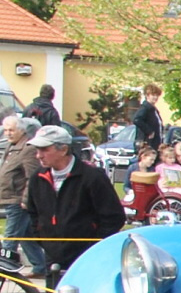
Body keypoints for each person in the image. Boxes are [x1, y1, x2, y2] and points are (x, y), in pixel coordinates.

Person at [22, 126, 125, 273]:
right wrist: (44, 241)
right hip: (52, 257)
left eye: (44, 149)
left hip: (87, 258)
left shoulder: (92, 177)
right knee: (54, 288)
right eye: (37, 150)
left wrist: (94, 245)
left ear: (63, 149)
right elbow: (33, 213)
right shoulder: (37, 178)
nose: (39, 155)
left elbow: (114, 217)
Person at [1, 115, 46, 275]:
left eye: (11, 130)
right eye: (6, 130)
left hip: (18, 201)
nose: (8, 133)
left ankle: (4, 271)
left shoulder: (28, 149)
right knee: (26, 237)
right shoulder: (11, 146)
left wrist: (26, 200)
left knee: (10, 239)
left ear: (21, 131)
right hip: (9, 198)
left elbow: (32, 178)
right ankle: (41, 267)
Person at [132, 82, 164, 152]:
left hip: (154, 145)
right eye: (153, 95)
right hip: (147, 145)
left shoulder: (153, 110)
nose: (155, 97)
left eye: (157, 95)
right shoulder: (145, 108)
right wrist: (149, 131)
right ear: (147, 95)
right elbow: (136, 119)